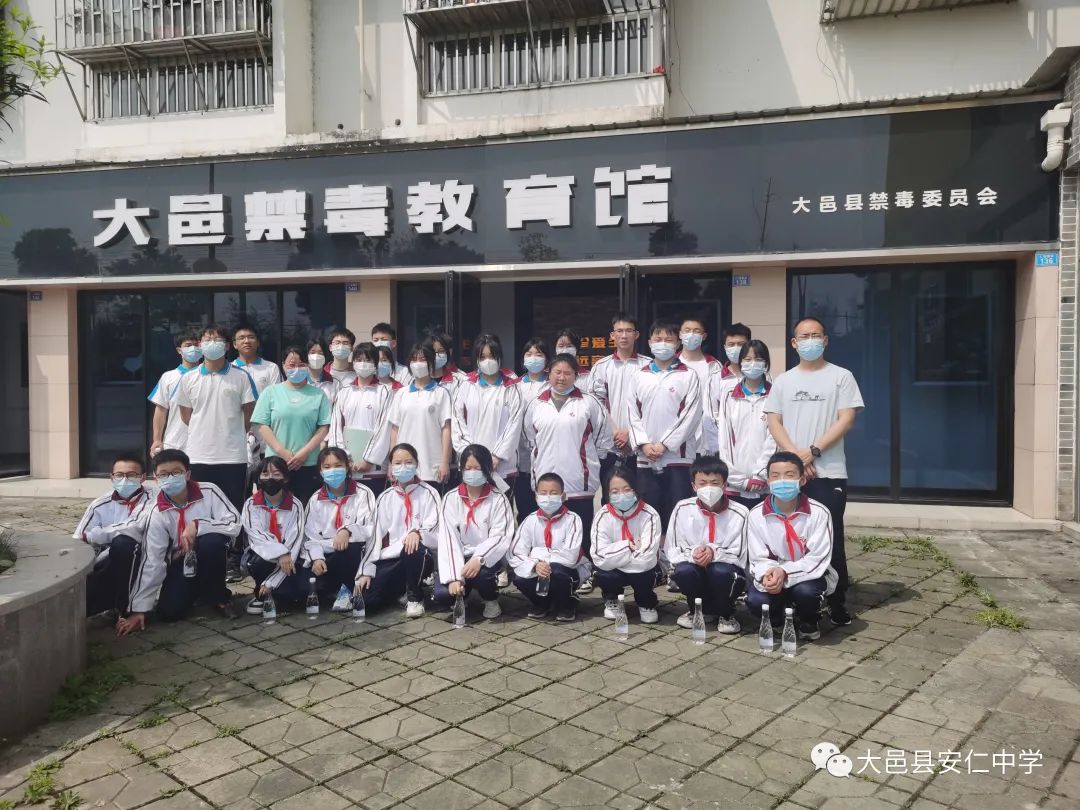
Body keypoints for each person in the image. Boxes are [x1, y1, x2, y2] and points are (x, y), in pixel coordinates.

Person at [765, 316, 863, 627]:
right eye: (804, 336)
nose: (811, 340)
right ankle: (796, 595)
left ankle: (836, 600)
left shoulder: (841, 377)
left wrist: (814, 451)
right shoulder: (784, 381)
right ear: (794, 343)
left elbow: (846, 419)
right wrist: (797, 459)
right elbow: (774, 421)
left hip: (828, 472)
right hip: (789, 475)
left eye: (816, 335)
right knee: (790, 535)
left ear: (825, 340)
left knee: (831, 536)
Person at [118, 449, 241, 634]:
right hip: (180, 560)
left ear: (188, 474)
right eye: (163, 474)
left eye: (176, 472)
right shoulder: (155, 512)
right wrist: (140, 609)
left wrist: (198, 525)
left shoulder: (209, 491)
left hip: (209, 552)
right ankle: (196, 590)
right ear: (156, 478)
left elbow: (235, 522)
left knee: (212, 542)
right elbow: (153, 560)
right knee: (168, 613)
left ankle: (220, 598)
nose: (170, 478)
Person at [523, 354, 612, 592]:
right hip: (546, 484)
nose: (561, 378)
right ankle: (550, 575)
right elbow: (530, 439)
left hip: (578, 481)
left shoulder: (589, 403)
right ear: (549, 373)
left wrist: (588, 463)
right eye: (557, 372)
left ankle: (585, 573)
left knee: (581, 531)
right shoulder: (536, 404)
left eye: (567, 373)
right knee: (550, 534)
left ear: (576, 375)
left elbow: (603, 439)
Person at [745, 451, 838, 641]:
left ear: (802, 480)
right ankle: (777, 621)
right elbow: (757, 557)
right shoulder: (755, 515)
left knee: (806, 594)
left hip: (808, 575)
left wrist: (785, 572)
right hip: (773, 573)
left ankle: (809, 621)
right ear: (768, 481)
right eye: (775, 476)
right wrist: (770, 574)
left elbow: (817, 558)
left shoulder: (819, 513)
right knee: (757, 601)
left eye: (789, 475)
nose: (782, 481)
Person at [628, 320, 701, 532]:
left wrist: (665, 444)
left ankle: (677, 551)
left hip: (679, 457)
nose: (663, 343)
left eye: (668, 340)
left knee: (678, 513)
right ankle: (651, 552)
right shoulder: (639, 375)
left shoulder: (689, 375)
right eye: (658, 339)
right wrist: (644, 444)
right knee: (648, 515)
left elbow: (691, 415)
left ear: (678, 343)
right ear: (649, 342)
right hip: (646, 457)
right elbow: (632, 414)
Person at [174, 325, 257, 512]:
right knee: (199, 508)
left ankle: (234, 534)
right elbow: (186, 416)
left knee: (233, 508)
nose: (212, 343)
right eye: (207, 340)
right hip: (198, 455)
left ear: (227, 346)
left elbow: (249, 414)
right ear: (200, 345)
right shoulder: (188, 378)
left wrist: (233, 432)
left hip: (233, 457)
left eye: (217, 340)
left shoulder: (241, 376)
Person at [356, 443, 440, 617]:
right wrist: (365, 571)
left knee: (412, 547)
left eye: (408, 462)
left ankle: (415, 597)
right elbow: (375, 537)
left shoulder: (430, 493)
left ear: (417, 464)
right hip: (393, 557)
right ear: (391, 467)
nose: (403, 467)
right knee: (366, 601)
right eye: (398, 463)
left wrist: (417, 533)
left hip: (421, 555)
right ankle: (400, 589)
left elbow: (435, 527)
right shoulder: (385, 497)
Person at [667, 455, 749, 634]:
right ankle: (697, 610)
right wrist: (694, 553)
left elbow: (741, 555)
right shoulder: (682, 508)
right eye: (702, 483)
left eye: (714, 483)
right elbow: (673, 548)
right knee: (684, 571)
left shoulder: (740, 513)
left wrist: (713, 552)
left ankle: (726, 613)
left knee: (720, 571)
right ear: (693, 486)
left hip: (725, 569)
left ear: (724, 485)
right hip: (694, 564)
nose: (708, 488)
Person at [435, 444, 514, 619]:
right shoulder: (450, 498)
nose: (472, 472)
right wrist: (454, 577)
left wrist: (479, 558)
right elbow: (448, 538)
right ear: (461, 469)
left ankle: (491, 599)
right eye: (468, 468)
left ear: (487, 469)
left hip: (487, 558)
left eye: (477, 468)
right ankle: (463, 594)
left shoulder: (498, 499)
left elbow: (501, 536)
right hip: (460, 556)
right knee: (442, 595)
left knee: (483, 575)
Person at [74, 452, 153, 618]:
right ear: (111, 477)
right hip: (107, 562)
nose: (124, 480)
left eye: (131, 475)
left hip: (144, 560)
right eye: (119, 475)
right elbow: (79, 540)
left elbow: (135, 527)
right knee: (81, 604)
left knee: (123, 543)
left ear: (143, 477)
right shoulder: (99, 505)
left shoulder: (153, 499)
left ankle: (126, 609)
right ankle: (110, 604)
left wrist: (95, 535)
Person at [250, 346, 332, 502]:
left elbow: (324, 427)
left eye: (301, 365)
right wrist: (281, 451)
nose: (297, 369)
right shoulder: (270, 392)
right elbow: (261, 424)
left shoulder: (318, 394)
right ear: (283, 365)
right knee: (276, 508)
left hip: (308, 463)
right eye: (292, 365)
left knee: (307, 505)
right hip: (275, 465)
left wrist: (304, 453)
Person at [585, 314, 651, 504]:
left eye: (629, 331)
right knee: (610, 498)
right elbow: (595, 404)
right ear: (612, 335)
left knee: (640, 497)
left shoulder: (648, 365)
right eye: (619, 331)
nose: (624, 335)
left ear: (636, 335)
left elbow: (651, 406)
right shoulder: (601, 366)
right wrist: (615, 432)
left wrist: (630, 433)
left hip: (639, 446)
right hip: (609, 446)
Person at [509, 473, 585, 621]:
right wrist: (535, 564)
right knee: (519, 577)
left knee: (557, 571)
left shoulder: (573, 519)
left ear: (563, 496)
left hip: (565, 570)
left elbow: (570, 556)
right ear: (536, 496)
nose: (548, 498)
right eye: (543, 493)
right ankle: (541, 602)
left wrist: (538, 555)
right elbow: (515, 553)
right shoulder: (530, 520)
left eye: (553, 493)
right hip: (539, 568)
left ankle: (566, 603)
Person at [591, 465, 662, 624]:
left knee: (645, 571)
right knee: (604, 573)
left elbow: (646, 558)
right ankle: (612, 598)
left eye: (626, 489)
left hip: (640, 569)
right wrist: (628, 546)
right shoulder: (602, 515)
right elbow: (598, 555)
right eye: (615, 491)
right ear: (607, 493)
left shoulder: (649, 514)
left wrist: (614, 555)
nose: (621, 495)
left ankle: (646, 603)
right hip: (614, 569)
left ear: (635, 490)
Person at [304, 447, 376, 603]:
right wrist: (316, 558)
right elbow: (310, 537)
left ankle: (347, 590)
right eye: (327, 467)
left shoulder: (363, 493)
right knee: (302, 586)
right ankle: (333, 590)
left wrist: (347, 530)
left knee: (350, 549)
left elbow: (369, 528)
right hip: (327, 556)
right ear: (320, 471)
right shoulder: (315, 499)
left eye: (338, 466)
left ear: (347, 467)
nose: (333, 471)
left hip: (353, 554)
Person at [452, 333, 524, 483]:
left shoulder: (512, 388)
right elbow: (457, 422)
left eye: (491, 356)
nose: (488, 361)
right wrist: (470, 455)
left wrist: (497, 456)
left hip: (502, 466)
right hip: (471, 465)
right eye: (482, 357)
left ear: (499, 356)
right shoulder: (465, 385)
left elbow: (514, 425)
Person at [240, 457, 308, 615]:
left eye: (276, 474)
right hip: (265, 556)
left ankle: (271, 589)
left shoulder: (296, 505)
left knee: (299, 592)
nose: (270, 478)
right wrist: (280, 552)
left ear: (285, 478)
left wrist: (273, 580)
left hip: (289, 559)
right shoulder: (250, 504)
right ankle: (261, 593)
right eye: (265, 474)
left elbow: (295, 541)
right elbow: (257, 537)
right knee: (257, 561)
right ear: (258, 478)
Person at [714, 339, 776, 508]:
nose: (752, 364)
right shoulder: (729, 395)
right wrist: (738, 479)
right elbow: (724, 440)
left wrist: (761, 474)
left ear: (766, 364)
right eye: (747, 359)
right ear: (740, 363)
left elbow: (775, 438)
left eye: (758, 359)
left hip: (766, 482)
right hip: (735, 484)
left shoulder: (775, 394)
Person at [329, 343, 396, 495]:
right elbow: (335, 427)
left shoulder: (385, 392)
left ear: (375, 364)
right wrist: (344, 458)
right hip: (347, 467)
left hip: (375, 469)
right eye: (359, 359)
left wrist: (369, 460)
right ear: (353, 363)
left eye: (368, 360)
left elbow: (384, 429)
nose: (363, 364)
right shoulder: (344, 392)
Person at [387, 344, 452, 487]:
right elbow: (395, 430)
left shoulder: (441, 393)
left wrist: (444, 462)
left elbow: (446, 429)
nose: (418, 364)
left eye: (422, 360)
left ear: (431, 363)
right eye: (414, 359)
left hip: (432, 466)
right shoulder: (401, 394)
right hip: (404, 467)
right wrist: (392, 462)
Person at [148, 331, 202, 458]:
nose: (193, 348)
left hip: (204, 441)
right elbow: (161, 410)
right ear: (179, 350)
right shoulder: (168, 377)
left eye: (196, 345)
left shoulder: (210, 376)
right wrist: (157, 439)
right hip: (175, 442)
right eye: (188, 345)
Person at [515, 338, 551, 520]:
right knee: (524, 508)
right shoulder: (515, 386)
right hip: (520, 457)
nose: (533, 358)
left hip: (547, 455)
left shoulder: (553, 385)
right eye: (529, 354)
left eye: (539, 354)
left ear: (547, 359)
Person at [677, 317, 724, 456]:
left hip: (706, 434)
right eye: (687, 330)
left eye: (696, 331)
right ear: (680, 334)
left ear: (704, 336)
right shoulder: (672, 363)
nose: (691, 334)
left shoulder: (714, 366)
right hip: (678, 434)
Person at [232, 324, 284, 393]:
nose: (247, 341)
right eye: (242, 338)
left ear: (258, 342)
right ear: (235, 344)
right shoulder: (229, 369)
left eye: (251, 337)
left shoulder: (271, 368)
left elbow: (277, 395)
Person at [423, 330, 468, 396]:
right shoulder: (417, 380)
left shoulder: (461, 380)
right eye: (432, 351)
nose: (436, 355)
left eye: (441, 351)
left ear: (448, 352)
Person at [306, 339, 342, 405]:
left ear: (325, 357)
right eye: (312, 352)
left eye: (320, 353)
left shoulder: (334, 383)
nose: (316, 356)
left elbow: (337, 409)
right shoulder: (299, 381)